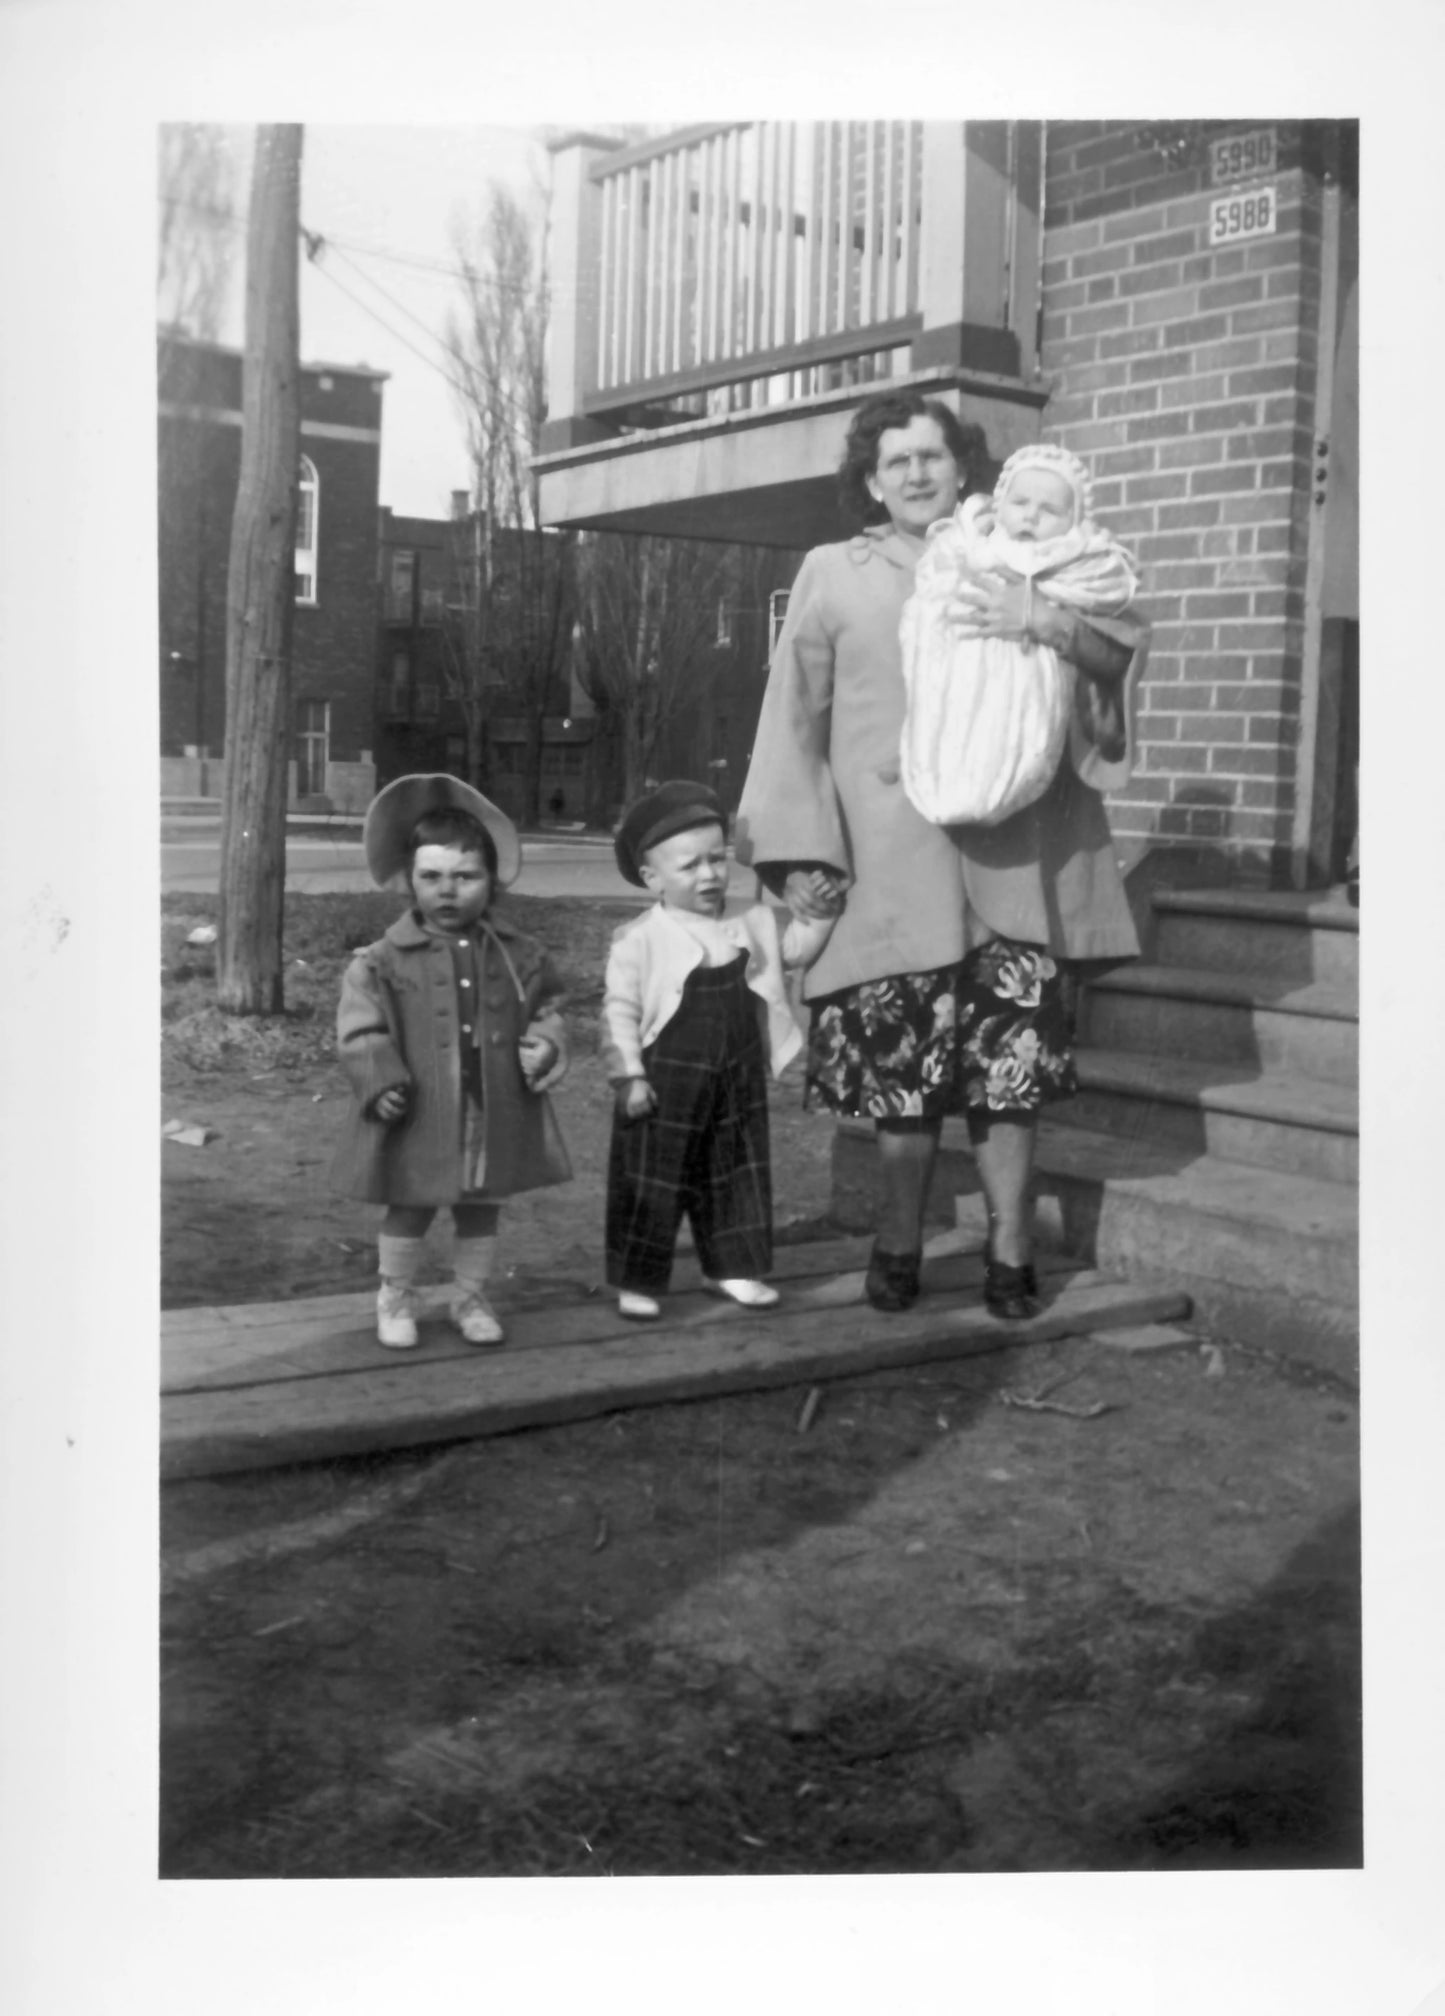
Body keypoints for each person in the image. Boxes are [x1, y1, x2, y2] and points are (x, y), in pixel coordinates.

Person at [734, 389, 1149, 1320]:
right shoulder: (833, 573)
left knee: (1009, 1073)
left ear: (965, 466)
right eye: (895, 463)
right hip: (888, 867)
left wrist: (1044, 621)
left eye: (932, 455)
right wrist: (804, 856)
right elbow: (789, 721)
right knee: (902, 1078)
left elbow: (1114, 670)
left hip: (1012, 868)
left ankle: (1007, 1250)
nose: (917, 473)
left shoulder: (1039, 560)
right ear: (872, 484)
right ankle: (897, 1241)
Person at [331, 774, 572, 1350]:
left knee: (482, 1207)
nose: (447, 890)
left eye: (466, 877)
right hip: (420, 1104)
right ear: (409, 880)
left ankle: (470, 1294)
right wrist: (378, 1076)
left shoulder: (521, 955)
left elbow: (550, 1004)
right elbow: (360, 1026)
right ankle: (395, 1294)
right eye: (431, 876)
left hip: (489, 1103)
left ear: (491, 881)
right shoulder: (381, 961)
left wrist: (546, 1039)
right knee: (411, 1202)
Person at [602, 780, 836, 1322]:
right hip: (666, 1073)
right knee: (652, 1174)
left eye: (717, 859)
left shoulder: (749, 919)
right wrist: (630, 1076)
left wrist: (820, 915)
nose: (709, 875)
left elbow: (793, 951)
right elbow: (619, 1012)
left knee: (734, 1168)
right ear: (651, 878)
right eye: (690, 866)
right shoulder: (637, 938)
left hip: (736, 1069)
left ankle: (731, 1264)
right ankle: (639, 1277)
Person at [900, 442, 1141, 826]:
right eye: (1020, 503)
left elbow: (1120, 652)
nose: (1031, 516)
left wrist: (1047, 619)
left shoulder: (1087, 573)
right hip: (958, 721)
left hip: (1043, 766)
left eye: (1049, 510)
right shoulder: (962, 553)